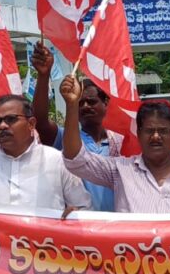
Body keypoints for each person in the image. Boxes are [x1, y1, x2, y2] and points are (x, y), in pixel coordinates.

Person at [60, 75, 170, 213]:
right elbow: (75, 159)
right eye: (149, 131)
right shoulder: (120, 171)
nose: (155, 136)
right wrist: (72, 105)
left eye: (163, 131)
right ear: (139, 134)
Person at [0, 94, 91, 213]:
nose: (2, 126)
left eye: (11, 119)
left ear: (31, 124)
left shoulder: (58, 162)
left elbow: (84, 209)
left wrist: (74, 215)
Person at [31, 40, 122, 211]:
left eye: (91, 101)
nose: (85, 106)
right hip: (79, 223)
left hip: (120, 224)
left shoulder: (121, 142)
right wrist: (44, 75)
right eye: (79, 103)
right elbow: (40, 122)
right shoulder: (66, 140)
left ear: (105, 103)